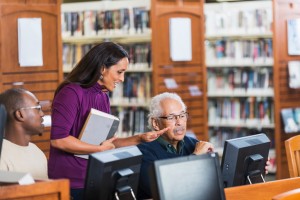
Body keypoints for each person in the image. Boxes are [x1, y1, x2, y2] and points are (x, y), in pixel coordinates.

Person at [48, 42, 168, 200]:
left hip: (96, 178)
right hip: (72, 183)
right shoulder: (71, 93)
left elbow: (107, 143)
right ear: (102, 68)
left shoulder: (102, 96)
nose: (122, 79)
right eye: (119, 72)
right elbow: (59, 140)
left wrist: (139, 139)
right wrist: (99, 150)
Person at [137, 92, 214, 199]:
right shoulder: (143, 152)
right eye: (171, 117)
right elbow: (164, 191)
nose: (179, 122)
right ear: (155, 123)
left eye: (182, 116)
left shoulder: (193, 143)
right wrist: (195, 158)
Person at [0, 88, 48, 180]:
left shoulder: (37, 152)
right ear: (20, 114)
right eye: (38, 108)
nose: (42, 114)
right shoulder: (2, 155)